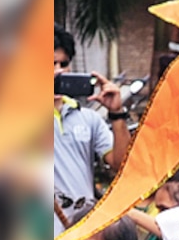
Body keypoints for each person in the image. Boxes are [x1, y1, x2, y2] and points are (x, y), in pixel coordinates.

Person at [54, 24, 131, 227]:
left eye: (63, 64)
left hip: (81, 232)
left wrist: (116, 112)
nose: (57, 72)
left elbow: (121, 165)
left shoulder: (89, 118)